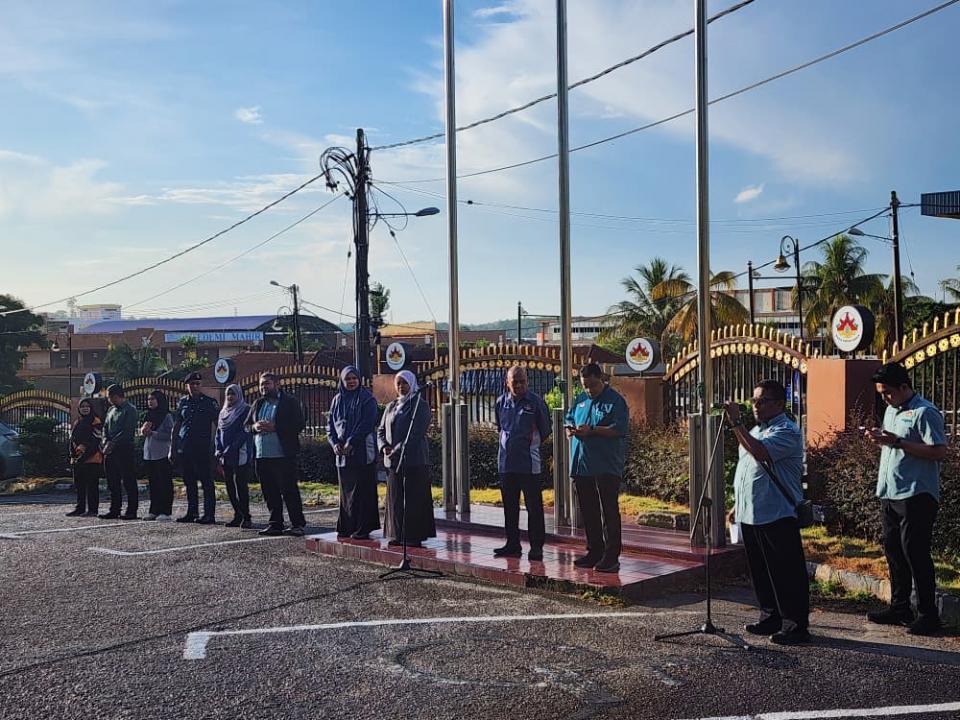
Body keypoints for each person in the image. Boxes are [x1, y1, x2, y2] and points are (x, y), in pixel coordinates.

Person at [864, 362, 947, 637]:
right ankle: (900, 608)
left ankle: (928, 614)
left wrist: (898, 442)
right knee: (894, 551)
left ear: (903, 387)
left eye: (887, 392)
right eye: (881, 393)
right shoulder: (891, 410)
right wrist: (881, 439)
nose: (885, 398)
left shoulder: (925, 412)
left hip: (917, 494)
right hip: (890, 491)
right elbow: (893, 444)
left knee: (915, 552)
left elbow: (938, 452)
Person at [725, 378, 810, 645]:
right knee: (761, 570)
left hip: (777, 512)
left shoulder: (787, 431)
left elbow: (760, 453)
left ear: (779, 404)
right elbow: (748, 468)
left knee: (785, 572)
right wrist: (737, 504)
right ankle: (770, 616)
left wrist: (736, 422)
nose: (756, 406)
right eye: (754, 400)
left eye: (762, 401)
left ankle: (795, 625)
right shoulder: (755, 429)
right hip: (752, 511)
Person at [564, 363, 628, 573]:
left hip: (605, 464)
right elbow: (569, 417)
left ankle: (611, 556)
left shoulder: (615, 401)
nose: (589, 390)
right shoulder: (581, 399)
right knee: (589, 510)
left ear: (601, 379)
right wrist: (569, 429)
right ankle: (594, 550)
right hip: (582, 465)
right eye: (585, 386)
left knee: (608, 510)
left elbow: (619, 429)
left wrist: (592, 430)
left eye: (593, 385)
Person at [493, 365, 551, 561]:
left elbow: (545, 431)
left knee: (534, 508)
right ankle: (512, 544)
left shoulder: (536, 403)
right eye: (514, 382)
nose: (518, 385)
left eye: (522, 381)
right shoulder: (500, 402)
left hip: (529, 464)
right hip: (506, 464)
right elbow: (500, 428)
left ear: (527, 381)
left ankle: (536, 547)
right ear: (507, 382)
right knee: (510, 507)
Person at [245, 372, 307, 536]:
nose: (263, 387)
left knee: (289, 491)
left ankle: (297, 524)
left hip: (283, 455)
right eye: (261, 384)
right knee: (269, 492)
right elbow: (246, 426)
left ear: (277, 384)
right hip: (262, 455)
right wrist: (255, 427)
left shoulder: (289, 402)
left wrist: (276, 427)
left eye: (267, 383)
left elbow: (299, 424)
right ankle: (275, 524)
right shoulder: (258, 403)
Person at [379, 371, 435, 547]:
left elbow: (416, 433)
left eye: (405, 383)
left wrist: (397, 449)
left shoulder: (419, 405)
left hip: (414, 459)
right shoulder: (391, 406)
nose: (401, 387)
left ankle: (413, 536)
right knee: (395, 498)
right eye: (398, 383)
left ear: (412, 384)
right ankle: (396, 534)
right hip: (393, 461)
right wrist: (384, 446)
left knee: (414, 498)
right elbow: (381, 430)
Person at [328, 366, 380, 540]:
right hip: (342, 453)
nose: (351, 382)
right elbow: (330, 425)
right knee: (346, 491)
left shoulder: (367, 399)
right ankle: (347, 526)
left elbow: (367, 423)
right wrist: (334, 443)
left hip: (362, 450)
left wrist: (351, 442)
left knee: (362, 490)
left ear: (359, 380)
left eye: (354, 378)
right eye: (347, 379)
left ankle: (363, 527)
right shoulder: (337, 400)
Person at [171, 372, 220, 524]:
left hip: (203, 448)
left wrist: (218, 446)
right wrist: (172, 448)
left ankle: (209, 514)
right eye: (192, 384)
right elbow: (177, 425)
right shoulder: (183, 402)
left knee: (206, 482)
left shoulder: (209, 402)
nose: (195, 386)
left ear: (201, 385)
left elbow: (218, 425)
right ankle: (192, 512)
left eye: (197, 384)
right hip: (186, 447)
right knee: (189, 482)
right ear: (187, 386)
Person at [215, 384, 254, 528]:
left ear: (239, 395)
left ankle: (246, 516)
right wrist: (218, 448)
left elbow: (245, 432)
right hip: (225, 456)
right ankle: (238, 514)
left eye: (233, 394)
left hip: (240, 453)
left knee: (240, 486)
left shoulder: (245, 410)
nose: (230, 397)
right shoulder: (223, 412)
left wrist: (231, 448)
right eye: (228, 394)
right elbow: (219, 432)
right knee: (229, 485)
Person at [100, 384, 139, 520]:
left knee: (128, 480)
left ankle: (132, 510)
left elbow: (127, 430)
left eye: (110, 397)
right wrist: (105, 440)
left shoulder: (130, 410)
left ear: (116, 396)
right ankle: (114, 509)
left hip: (124, 448)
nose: (109, 400)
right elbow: (105, 427)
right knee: (112, 481)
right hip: (110, 449)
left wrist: (112, 443)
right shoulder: (111, 410)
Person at [141, 390, 174, 521]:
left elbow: (170, 435)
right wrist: (144, 431)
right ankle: (154, 510)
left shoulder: (166, 416)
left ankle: (165, 511)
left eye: (153, 399)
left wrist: (153, 433)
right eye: (149, 399)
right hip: (149, 453)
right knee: (153, 483)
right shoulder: (148, 415)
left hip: (162, 453)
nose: (150, 402)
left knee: (164, 483)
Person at [67, 398, 103, 517]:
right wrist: (73, 454)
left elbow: (96, 440)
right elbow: (72, 439)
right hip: (78, 458)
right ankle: (80, 508)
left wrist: (85, 455)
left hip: (93, 458)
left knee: (92, 485)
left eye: (87, 406)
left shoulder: (95, 421)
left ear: (91, 408)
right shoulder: (78, 422)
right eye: (82, 406)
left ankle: (93, 509)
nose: (85, 408)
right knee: (79, 485)